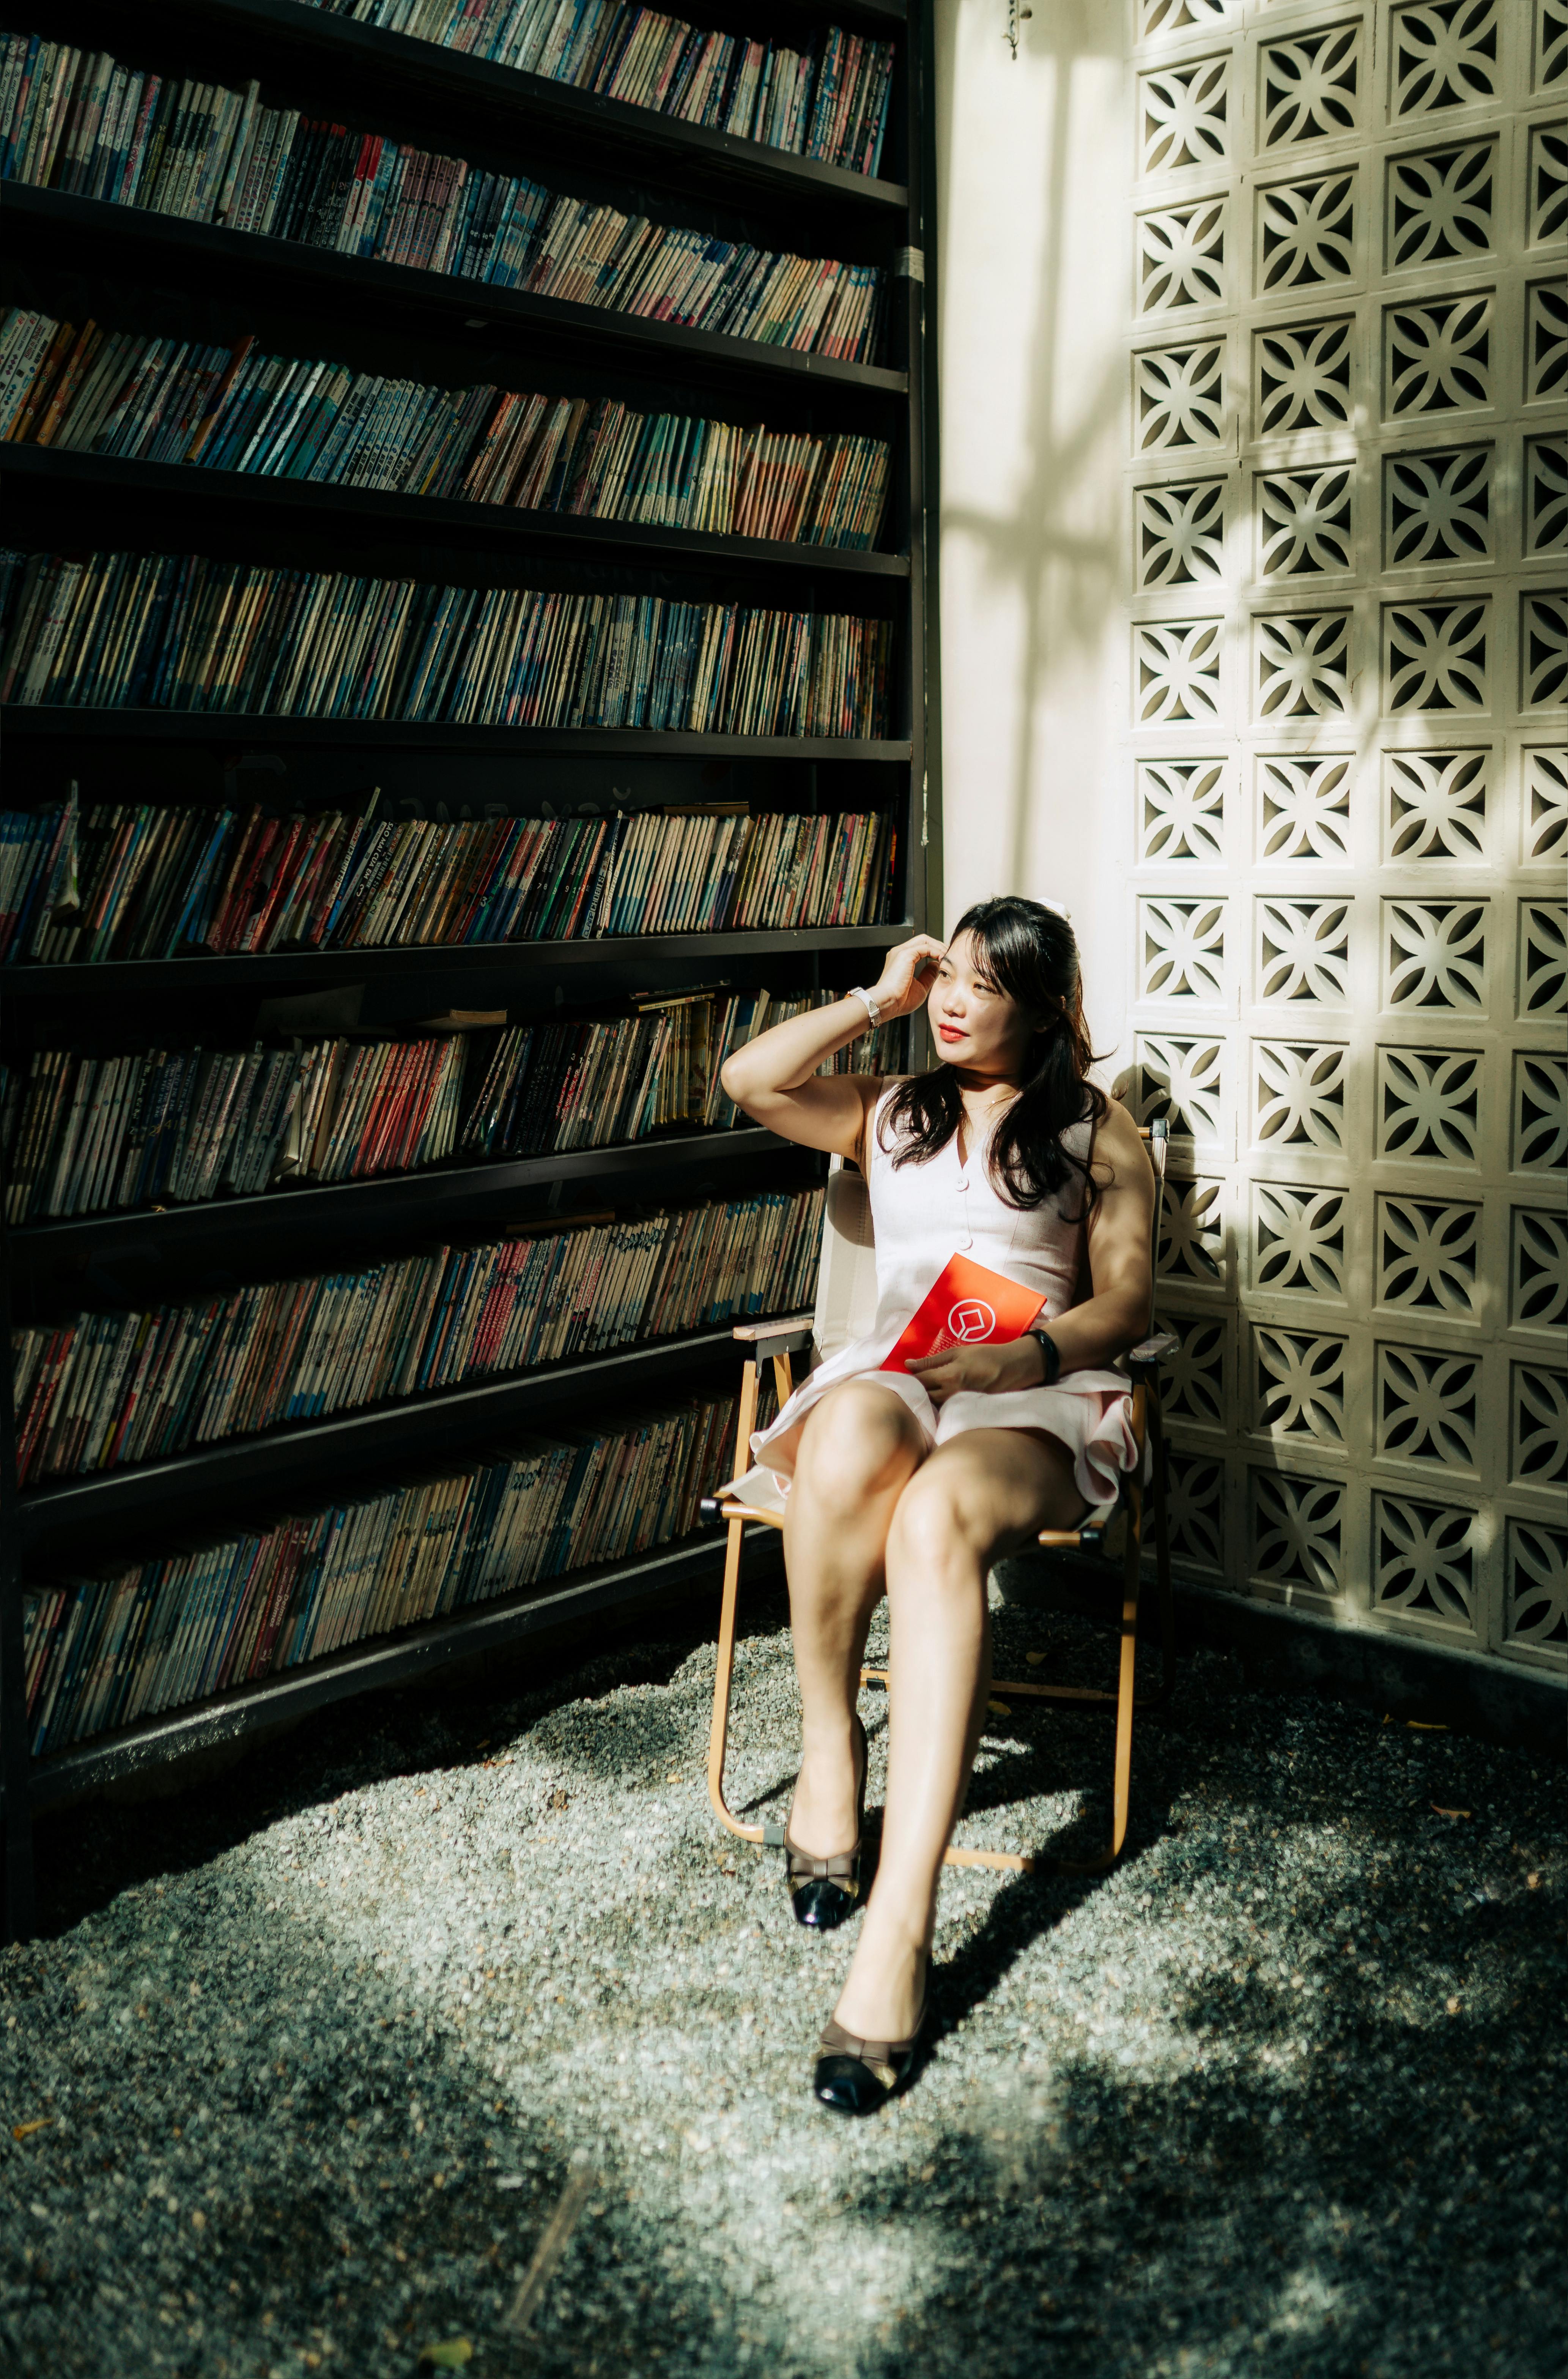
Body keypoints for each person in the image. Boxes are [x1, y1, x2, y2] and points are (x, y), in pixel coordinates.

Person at [718, 896, 1156, 2114]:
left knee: (934, 1517)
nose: (955, 1000)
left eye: (983, 986)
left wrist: (1029, 1357)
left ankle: (898, 1926)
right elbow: (747, 1077)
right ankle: (826, 1747)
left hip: (1036, 1392)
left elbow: (1123, 1304)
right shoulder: (889, 1110)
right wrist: (878, 998)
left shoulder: (1094, 1130)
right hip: (900, 1369)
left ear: (1046, 1009)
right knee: (846, 1429)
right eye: (945, 976)